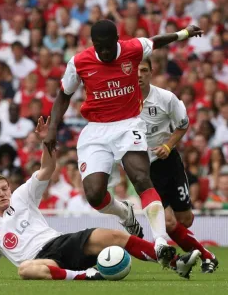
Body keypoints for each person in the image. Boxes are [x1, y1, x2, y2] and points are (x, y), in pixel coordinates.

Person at [0, 117, 200, 281]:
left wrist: (47, 142)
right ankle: (86, 276)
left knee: (113, 236)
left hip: (60, 243)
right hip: (42, 261)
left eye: (4, 188)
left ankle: (176, 262)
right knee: (25, 270)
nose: (3, 193)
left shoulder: (22, 196)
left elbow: (47, 169)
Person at [44, 19, 203, 264]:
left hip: (128, 124)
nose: (105, 52)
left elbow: (157, 41)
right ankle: (125, 213)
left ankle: (160, 241)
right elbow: (64, 95)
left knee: (141, 177)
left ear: (117, 40)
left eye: (108, 46)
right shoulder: (79, 62)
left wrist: (183, 33)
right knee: (95, 195)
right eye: (99, 47)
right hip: (96, 130)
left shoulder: (133, 48)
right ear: (93, 44)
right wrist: (52, 127)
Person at [138, 59, 218, 273]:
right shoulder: (124, 102)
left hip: (169, 161)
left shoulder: (166, 98)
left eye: (144, 70)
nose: (139, 75)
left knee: (186, 220)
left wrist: (167, 144)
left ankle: (190, 255)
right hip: (144, 170)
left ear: (151, 72)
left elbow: (183, 125)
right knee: (170, 223)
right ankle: (206, 256)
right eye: (135, 71)